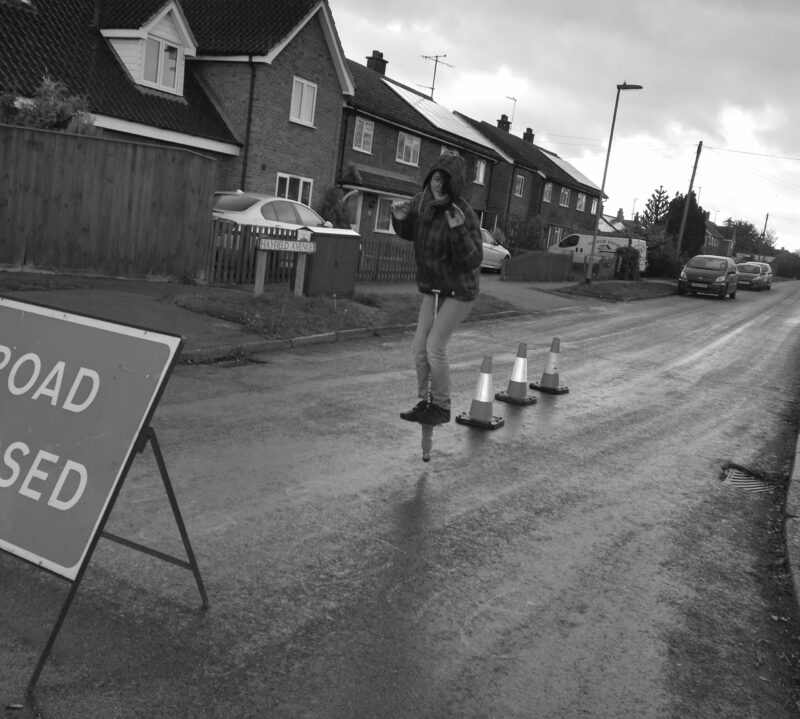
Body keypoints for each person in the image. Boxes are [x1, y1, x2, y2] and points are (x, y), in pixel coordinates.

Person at [391, 154, 483, 426]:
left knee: (434, 346)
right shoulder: (427, 206)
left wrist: (458, 230)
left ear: (454, 184)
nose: (438, 185)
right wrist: (401, 219)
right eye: (436, 178)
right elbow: (416, 233)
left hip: (458, 291)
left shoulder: (463, 213)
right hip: (433, 290)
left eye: (445, 181)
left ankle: (441, 406)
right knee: (419, 348)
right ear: (430, 179)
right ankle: (426, 401)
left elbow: (473, 259)